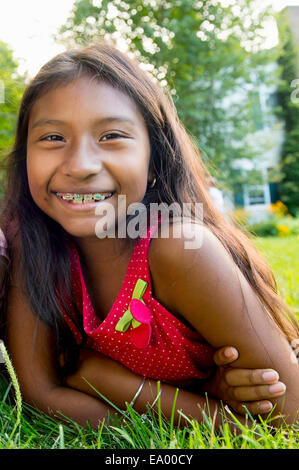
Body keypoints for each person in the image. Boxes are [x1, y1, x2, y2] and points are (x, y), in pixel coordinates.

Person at [0, 43, 298, 431]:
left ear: (153, 158)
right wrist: (199, 406)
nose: (80, 165)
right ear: (25, 158)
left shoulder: (181, 249)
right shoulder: (33, 241)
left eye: (111, 135)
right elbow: (39, 394)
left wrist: (106, 381)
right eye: (53, 138)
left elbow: (290, 411)